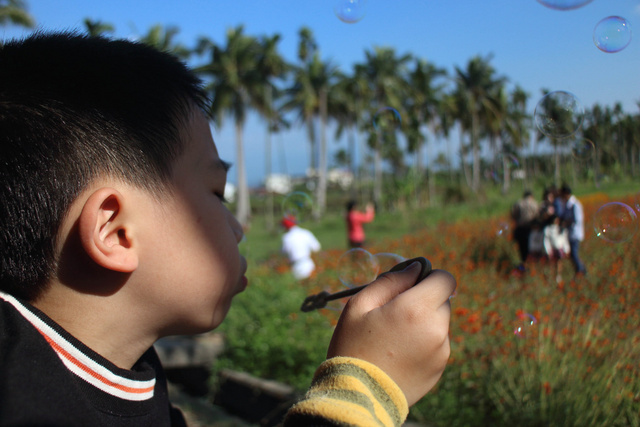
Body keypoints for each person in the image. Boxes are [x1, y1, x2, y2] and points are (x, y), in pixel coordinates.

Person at [0, 32, 457, 426]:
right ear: (116, 231)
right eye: (217, 193)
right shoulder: (25, 405)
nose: (237, 228)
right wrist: (362, 392)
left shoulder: (127, 364)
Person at [280, 215, 321, 280]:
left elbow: (283, 253)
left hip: (296, 266)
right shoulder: (305, 232)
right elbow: (316, 248)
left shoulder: (286, 238)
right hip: (308, 263)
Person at [559, 184, 587, 277]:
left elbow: (577, 219)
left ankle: (581, 271)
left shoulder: (575, 204)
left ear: (566, 194)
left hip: (575, 233)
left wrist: (566, 223)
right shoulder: (567, 204)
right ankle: (579, 270)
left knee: (574, 254)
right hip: (569, 233)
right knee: (572, 255)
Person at [510, 190, 539, 270]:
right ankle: (531, 267)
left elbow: (513, 215)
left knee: (522, 250)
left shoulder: (518, 203)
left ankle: (524, 266)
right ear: (531, 196)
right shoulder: (534, 203)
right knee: (532, 250)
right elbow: (538, 216)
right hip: (531, 230)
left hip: (520, 229)